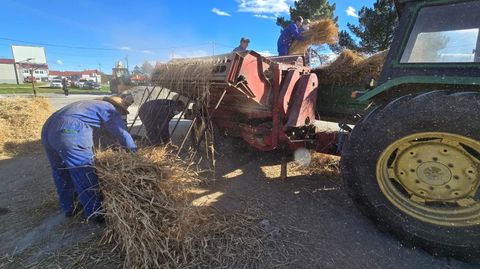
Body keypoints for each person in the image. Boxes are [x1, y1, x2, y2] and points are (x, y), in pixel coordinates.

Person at [41, 94, 137, 222]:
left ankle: (70, 208)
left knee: (61, 170)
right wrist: (134, 155)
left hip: (48, 129)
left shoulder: (88, 106)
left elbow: (99, 136)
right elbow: (123, 134)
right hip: (70, 130)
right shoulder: (109, 109)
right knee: (84, 169)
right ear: (117, 107)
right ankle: (95, 213)